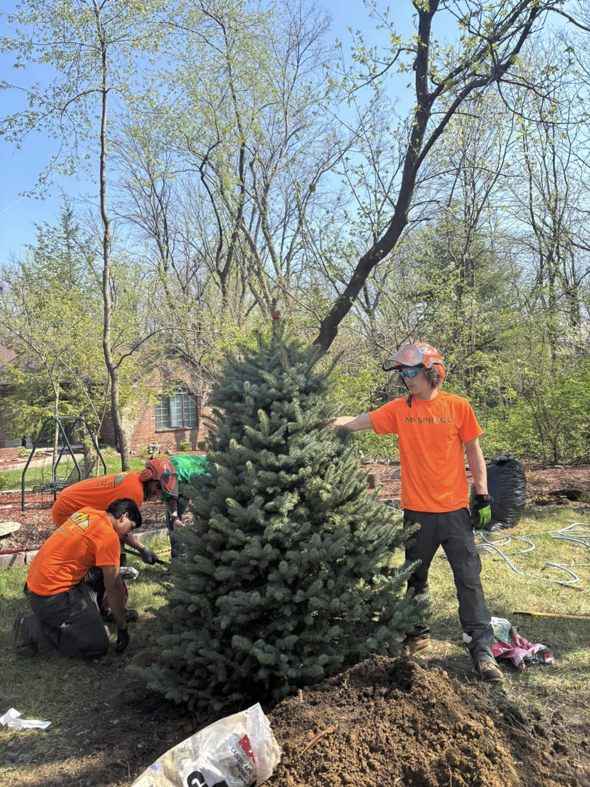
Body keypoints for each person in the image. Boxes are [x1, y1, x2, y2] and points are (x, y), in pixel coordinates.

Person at [321, 342, 501, 684]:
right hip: (417, 513)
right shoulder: (399, 410)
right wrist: (318, 423)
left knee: (468, 580)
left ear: (433, 372)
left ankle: (482, 651)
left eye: (413, 372)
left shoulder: (458, 406)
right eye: (403, 373)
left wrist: (482, 494)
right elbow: (356, 422)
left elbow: (474, 450)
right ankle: (417, 632)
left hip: (454, 512)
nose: (407, 378)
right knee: (415, 577)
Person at [13, 498, 142, 659]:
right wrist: (122, 628)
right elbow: (113, 587)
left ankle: (93, 618)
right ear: (124, 517)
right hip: (49, 596)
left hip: (39, 582)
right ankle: (29, 626)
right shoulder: (108, 536)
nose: (126, 534)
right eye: (130, 528)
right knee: (97, 646)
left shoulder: (88, 512)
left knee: (101, 572)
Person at [51, 458, 179, 565]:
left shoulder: (135, 479)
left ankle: (114, 575)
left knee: (111, 540)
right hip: (69, 508)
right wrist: (142, 549)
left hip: (69, 499)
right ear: (148, 477)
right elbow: (121, 529)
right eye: (158, 487)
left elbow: (121, 528)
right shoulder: (134, 492)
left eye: (161, 491)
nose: (158, 493)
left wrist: (140, 549)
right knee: (95, 549)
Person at [163, 454, 211, 557]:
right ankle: (177, 556)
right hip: (180, 483)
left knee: (205, 513)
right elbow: (169, 499)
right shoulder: (162, 479)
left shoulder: (196, 474)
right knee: (172, 518)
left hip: (198, 476)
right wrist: (175, 518)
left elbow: (205, 498)